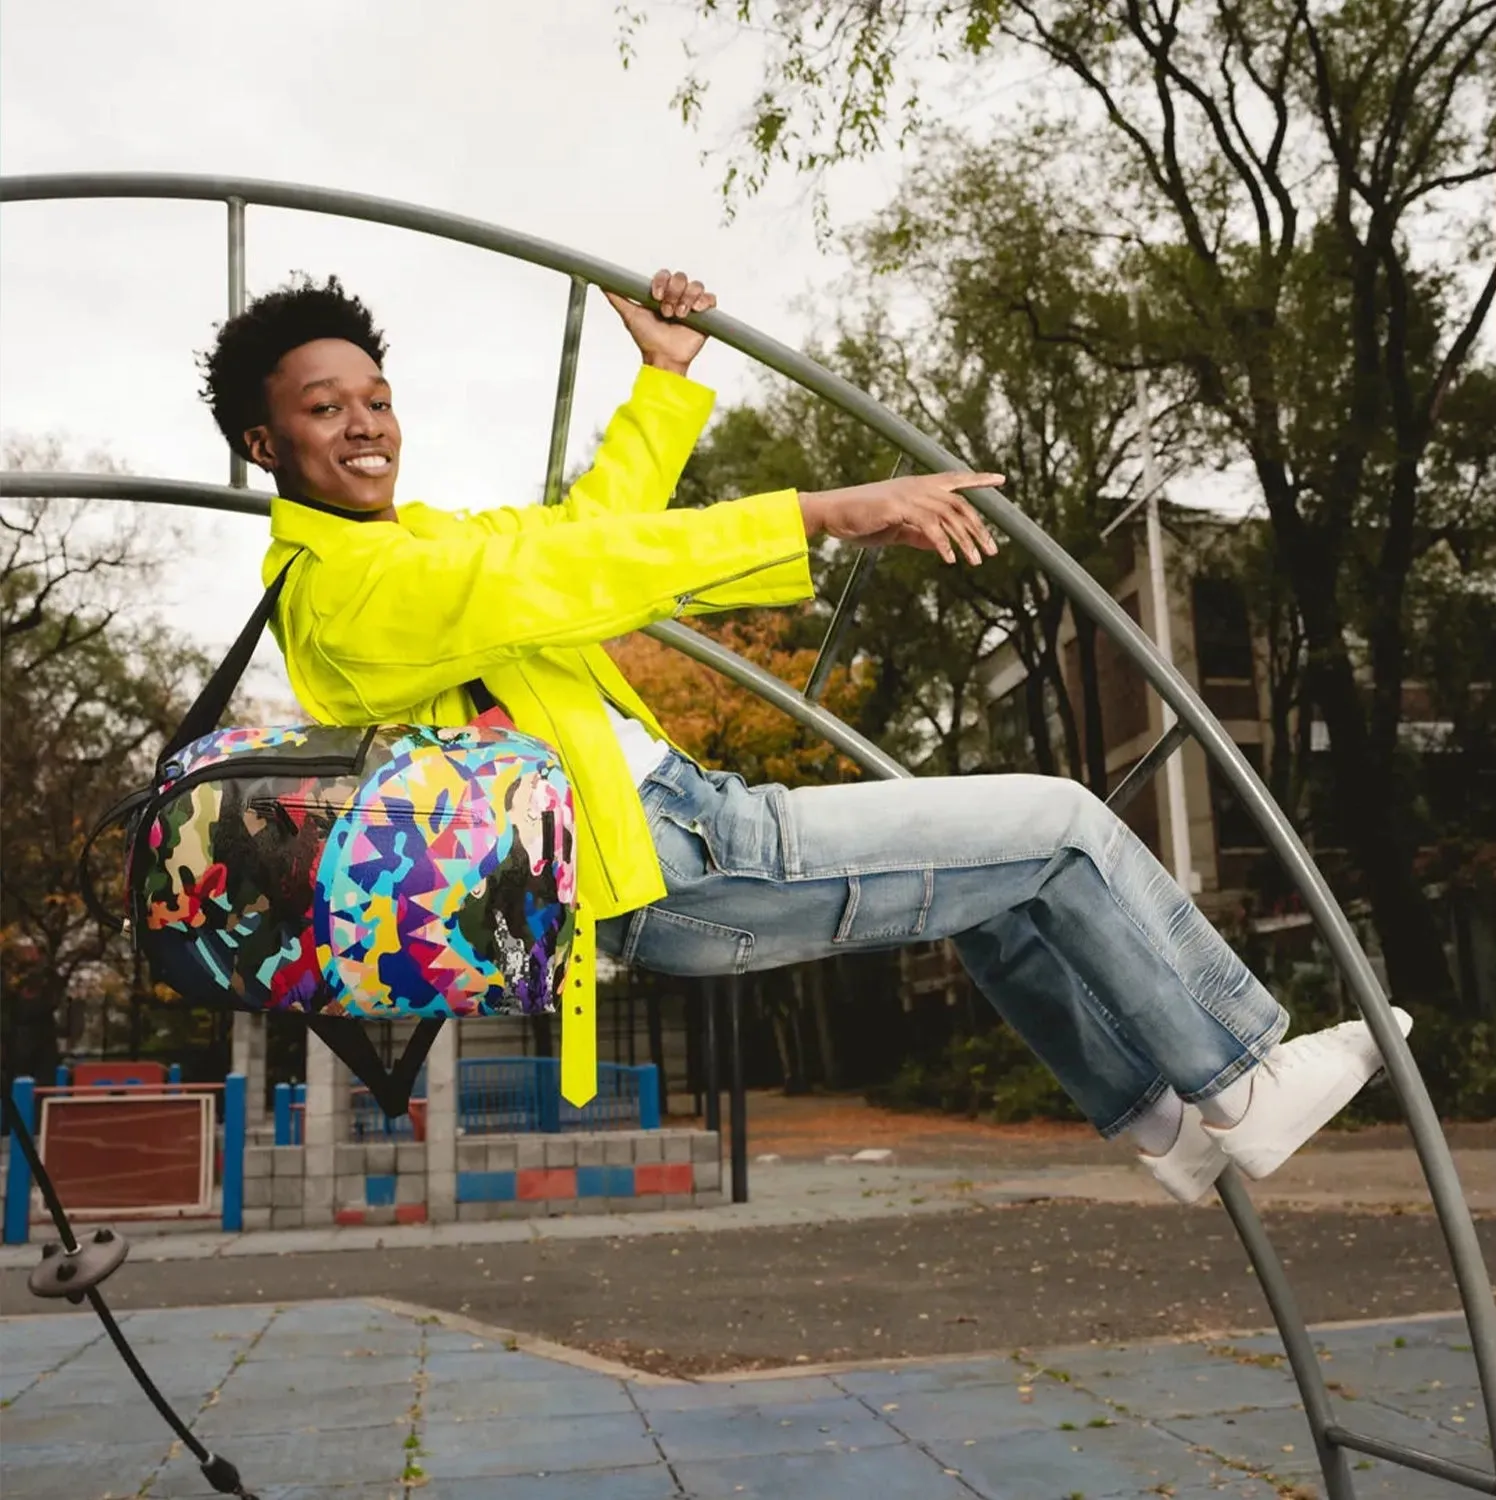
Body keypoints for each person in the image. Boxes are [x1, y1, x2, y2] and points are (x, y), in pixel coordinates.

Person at [198, 269, 1410, 1204]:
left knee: (1001, 891)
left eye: (377, 398)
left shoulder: (414, 547)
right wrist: (830, 511)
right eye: (324, 408)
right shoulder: (348, 587)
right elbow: (581, 565)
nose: (366, 425)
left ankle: (1164, 1124)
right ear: (267, 444)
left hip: (682, 835)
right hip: (676, 861)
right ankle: (1243, 1078)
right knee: (1065, 824)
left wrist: (666, 382)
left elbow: (584, 534)